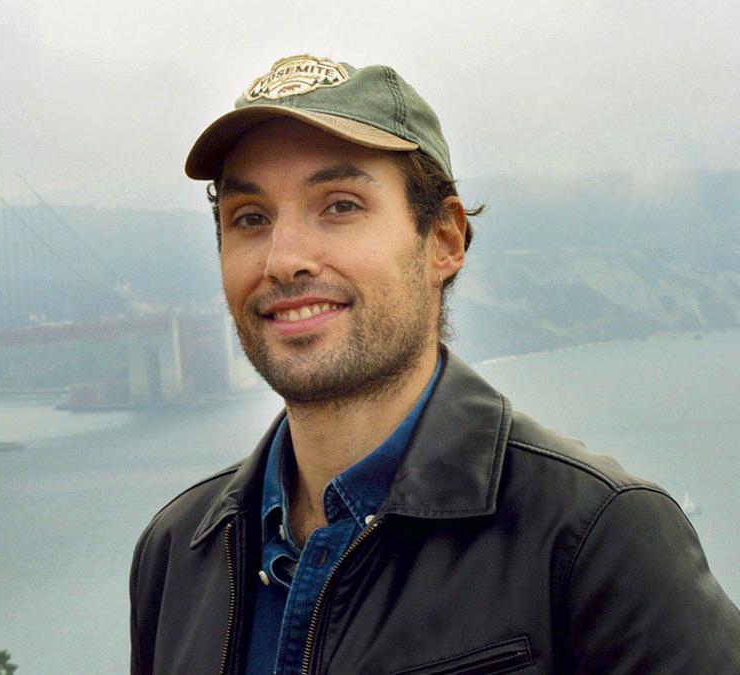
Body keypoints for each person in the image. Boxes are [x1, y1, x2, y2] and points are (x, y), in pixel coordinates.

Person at [129, 54, 740, 674]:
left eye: (339, 206)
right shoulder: (178, 551)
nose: (284, 260)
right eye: (250, 219)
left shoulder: (595, 537)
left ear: (444, 241)